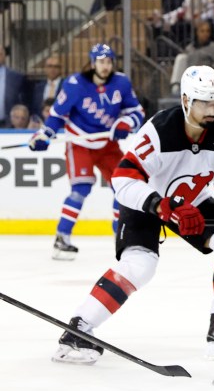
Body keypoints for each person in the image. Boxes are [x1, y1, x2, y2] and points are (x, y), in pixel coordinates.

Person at [52, 65, 214, 365]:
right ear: (187, 101)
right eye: (205, 103)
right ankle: (78, 330)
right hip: (147, 201)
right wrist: (161, 205)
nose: (213, 110)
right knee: (140, 266)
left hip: (192, 202)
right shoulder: (160, 130)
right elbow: (123, 179)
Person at [28, 44, 145, 260]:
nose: (105, 66)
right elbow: (56, 116)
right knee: (80, 188)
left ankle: (122, 234)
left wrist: (125, 123)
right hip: (79, 143)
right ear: (92, 63)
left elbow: (137, 112)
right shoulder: (75, 84)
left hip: (107, 144)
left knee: (123, 186)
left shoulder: (121, 82)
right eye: (101, 62)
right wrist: (45, 135)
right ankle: (62, 238)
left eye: (108, 61)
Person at [169, 20, 214, 94]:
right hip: (190, 77)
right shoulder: (190, 47)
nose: (205, 34)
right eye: (202, 31)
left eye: (207, 31)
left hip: (205, 78)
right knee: (181, 57)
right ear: (197, 32)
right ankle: (176, 86)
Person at [0, 46, 27, 126]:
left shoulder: (16, 77)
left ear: (5, 56)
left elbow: (23, 101)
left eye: (0, 54)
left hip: (8, 124)